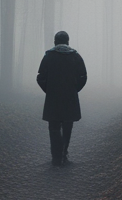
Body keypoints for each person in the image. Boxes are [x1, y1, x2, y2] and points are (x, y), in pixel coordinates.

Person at [36, 30, 87, 166]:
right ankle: (64, 153)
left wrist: (49, 90)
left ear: (55, 42)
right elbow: (83, 76)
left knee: (54, 127)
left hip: (53, 98)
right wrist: (74, 90)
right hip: (70, 98)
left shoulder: (49, 56)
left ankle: (56, 157)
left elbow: (40, 77)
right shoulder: (75, 56)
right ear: (68, 42)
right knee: (67, 126)